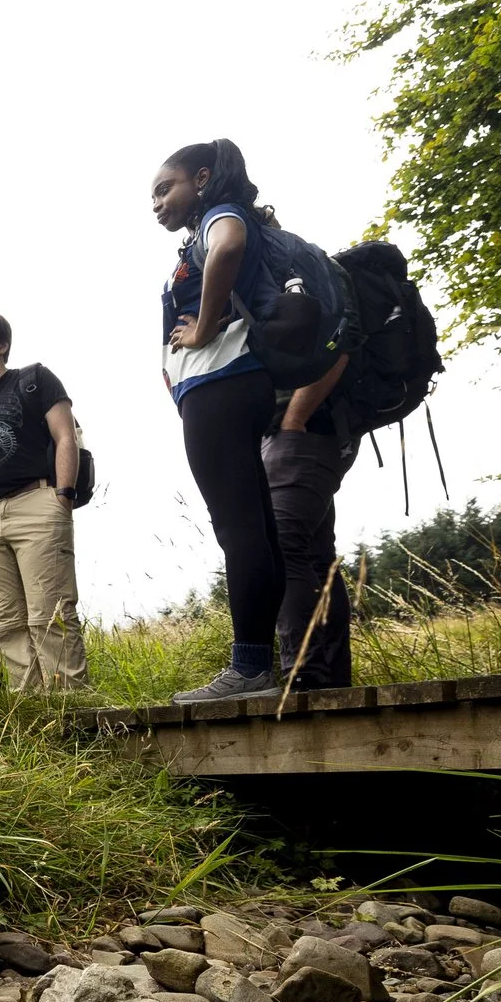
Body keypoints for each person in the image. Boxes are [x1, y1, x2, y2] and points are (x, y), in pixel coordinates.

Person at [153, 141, 290, 702]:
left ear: (203, 179)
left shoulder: (220, 217)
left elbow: (229, 246)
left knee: (238, 529)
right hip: (233, 384)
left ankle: (251, 667)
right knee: (256, 527)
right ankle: (264, 663)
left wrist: (205, 328)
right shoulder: (207, 226)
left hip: (222, 381)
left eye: (166, 188)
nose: (156, 203)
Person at [0, 313, 87, 691]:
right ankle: (29, 707)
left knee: (51, 613)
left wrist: (63, 496)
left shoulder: (34, 380)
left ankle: (68, 706)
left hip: (36, 503)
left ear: (2, 344)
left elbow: (65, 437)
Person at [267, 346, 360, 689]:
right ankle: (328, 677)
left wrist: (295, 417)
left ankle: (304, 672)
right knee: (317, 557)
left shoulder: (299, 289)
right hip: (312, 427)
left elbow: (341, 340)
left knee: (282, 545)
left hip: (304, 426)